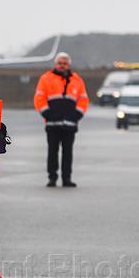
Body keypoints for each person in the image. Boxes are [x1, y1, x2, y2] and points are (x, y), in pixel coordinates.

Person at [33, 52, 89, 187]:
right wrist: (48, 114)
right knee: (52, 152)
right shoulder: (45, 78)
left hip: (70, 124)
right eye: (59, 63)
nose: (62, 66)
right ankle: (52, 178)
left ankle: (67, 178)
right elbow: (39, 98)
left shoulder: (77, 80)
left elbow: (83, 100)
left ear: (69, 65)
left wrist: (76, 116)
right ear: (55, 64)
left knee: (67, 153)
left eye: (64, 63)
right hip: (52, 123)